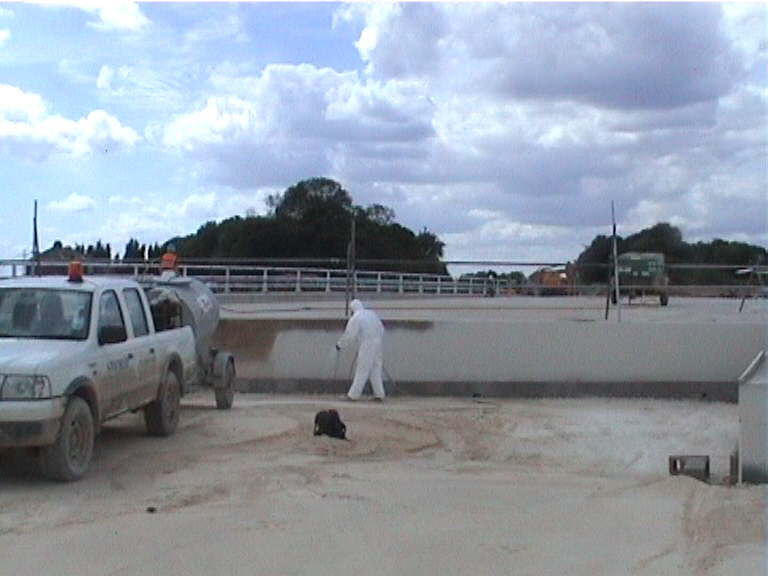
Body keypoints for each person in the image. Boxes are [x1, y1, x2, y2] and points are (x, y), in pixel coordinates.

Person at [336, 299, 386, 401]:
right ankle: (379, 394)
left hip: (367, 343)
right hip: (378, 342)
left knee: (362, 368)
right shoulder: (372, 314)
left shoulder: (356, 317)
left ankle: (353, 395)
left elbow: (350, 334)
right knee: (375, 369)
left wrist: (340, 345)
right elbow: (381, 328)